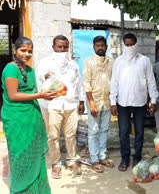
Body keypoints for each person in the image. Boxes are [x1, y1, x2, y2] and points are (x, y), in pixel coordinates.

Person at [1, 37, 57, 193]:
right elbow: (13, 95)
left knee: (35, 152)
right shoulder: (10, 69)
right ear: (15, 50)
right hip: (16, 118)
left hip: (32, 116)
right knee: (20, 153)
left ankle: (37, 189)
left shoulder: (30, 70)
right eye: (23, 50)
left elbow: (32, 92)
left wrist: (49, 85)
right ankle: (21, 189)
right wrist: (41, 95)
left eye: (30, 51)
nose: (26, 54)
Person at [37, 35, 85, 179]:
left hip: (70, 104)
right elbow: (39, 77)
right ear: (53, 47)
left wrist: (81, 102)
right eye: (59, 47)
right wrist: (45, 76)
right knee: (53, 137)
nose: (62, 50)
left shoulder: (73, 65)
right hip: (53, 105)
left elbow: (78, 84)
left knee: (71, 135)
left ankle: (72, 160)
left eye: (65, 47)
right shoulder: (45, 63)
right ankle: (56, 163)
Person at [110, 33, 159, 171]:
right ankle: (125, 159)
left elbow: (151, 81)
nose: (130, 47)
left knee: (139, 132)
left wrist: (153, 100)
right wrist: (113, 102)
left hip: (140, 102)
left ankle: (137, 157)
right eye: (127, 44)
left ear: (137, 44)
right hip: (123, 102)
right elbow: (114, 82)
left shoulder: (144, 61)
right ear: (123, 45)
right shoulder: (118, 61)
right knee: (123, 132)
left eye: (132, 44)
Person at [82, 36, 114, 173]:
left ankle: (102, 156)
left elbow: (114, 82)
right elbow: (86, 84)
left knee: (105, 129)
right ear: (93, 47)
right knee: (93, 131)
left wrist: (114, 103)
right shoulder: (88, 62)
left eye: (102, 45)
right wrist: (91, 104)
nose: (100, 48)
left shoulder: (111, 62)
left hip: (107, 101)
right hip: (93, 101)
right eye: (97, 46)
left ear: (106, 46)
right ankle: (94, 159)